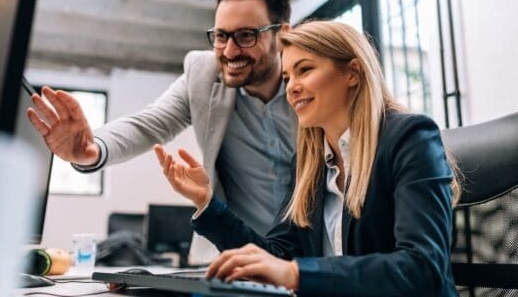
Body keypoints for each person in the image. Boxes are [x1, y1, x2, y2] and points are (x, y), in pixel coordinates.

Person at [153, 20, 461, 296]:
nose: (292, 88)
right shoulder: (309, 164)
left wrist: (295, 274)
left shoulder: (411, 138)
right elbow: (275, 256)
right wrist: (207, 203)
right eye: (288, 77)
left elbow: (423, 268)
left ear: (352, 72)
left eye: (305, 70)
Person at [26, 0, 297, 262]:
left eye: (246, 36)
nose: (229, 51)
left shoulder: (313, 81)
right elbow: (149, 123)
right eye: (220, 36)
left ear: (282, 35)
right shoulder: (203, 75)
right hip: (235, 256)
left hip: (312, 256)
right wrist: (92, 149)